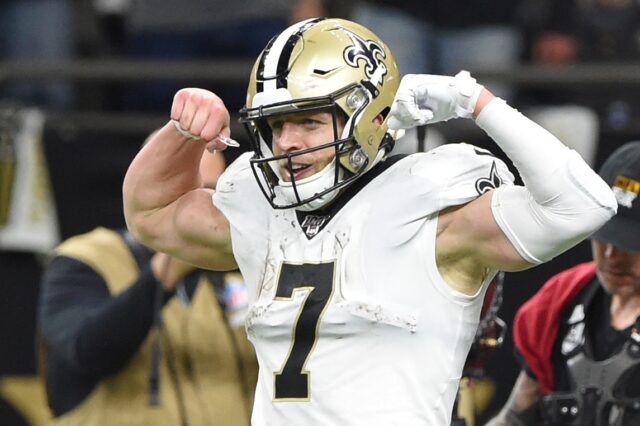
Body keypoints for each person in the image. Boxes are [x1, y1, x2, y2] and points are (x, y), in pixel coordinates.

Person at [122, 17, 617, 425]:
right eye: (277, 124)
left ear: (368, 116)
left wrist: (475, 102)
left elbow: (584, 205)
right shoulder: (262, 209)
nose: (288, 142)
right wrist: (183, 130)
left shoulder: (435, 214)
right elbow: (151, 213)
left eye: (310, 120)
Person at [37, 149, 257, 425]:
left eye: (213, 192)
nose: (201, 204)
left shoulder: (243, 270)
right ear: (147, 185)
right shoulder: (86, 258)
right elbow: (87, 352)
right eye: (184, 189)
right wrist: (168, 266)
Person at [487, 141, 640, 425]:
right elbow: (514, 418)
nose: (610, 255)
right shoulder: (561, 300)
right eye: (605, 234)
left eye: (630, 242)